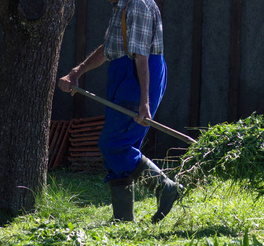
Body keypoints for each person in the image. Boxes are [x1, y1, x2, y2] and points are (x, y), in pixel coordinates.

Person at [58, 0, 182, 223]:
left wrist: (145, 102)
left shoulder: (138, 5)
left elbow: (141, 56)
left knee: (115, 144)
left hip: (138, 77)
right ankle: (122, 220)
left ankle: (165, 187)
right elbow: (110, 48)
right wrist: (77, 71)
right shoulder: (121, 6)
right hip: (122, 74)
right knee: (119, 147)